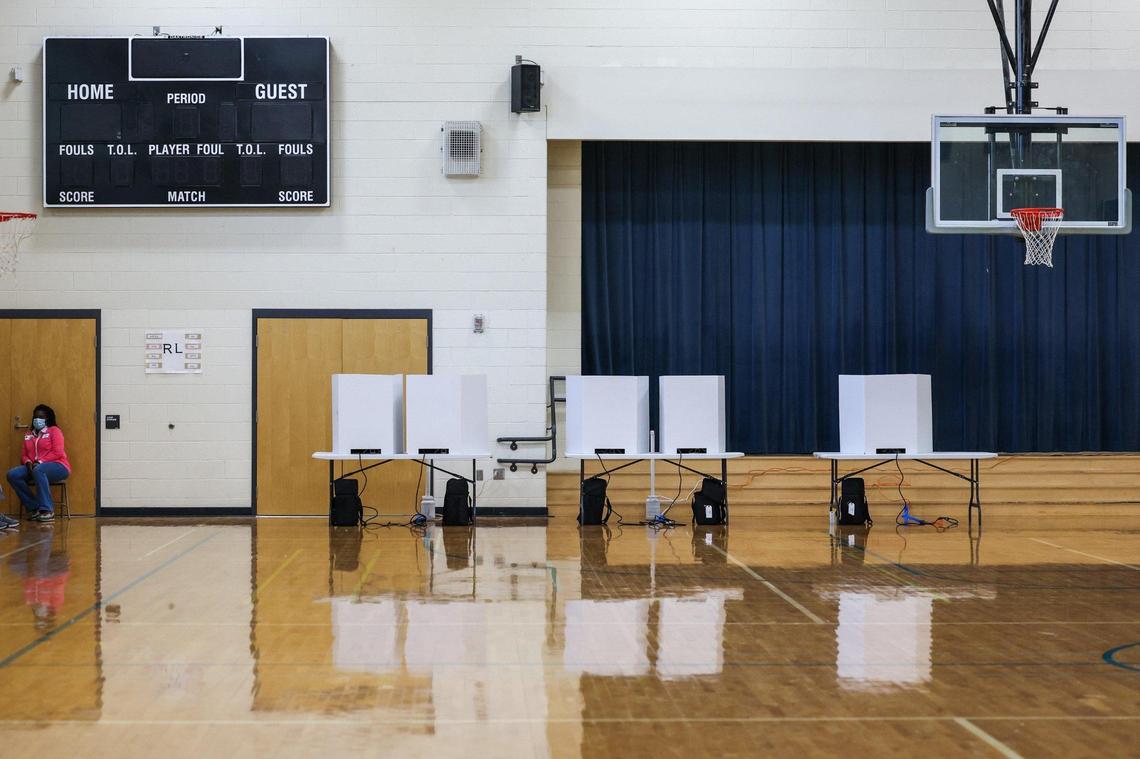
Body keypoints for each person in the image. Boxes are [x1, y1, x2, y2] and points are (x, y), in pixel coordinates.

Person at [6, 404, 71, 522]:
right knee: (12, 474)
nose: (37, 420)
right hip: (34, 467)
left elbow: (58, 452)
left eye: (41, 417)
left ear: (47, 418)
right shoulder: (28, 434)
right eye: (35, 417)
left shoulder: (54, 431)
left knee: (39, 470)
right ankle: (34, 508)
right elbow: (24, 455)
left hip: (58, 466)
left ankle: (47, 510)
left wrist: (39, 462)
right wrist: (28, 462)